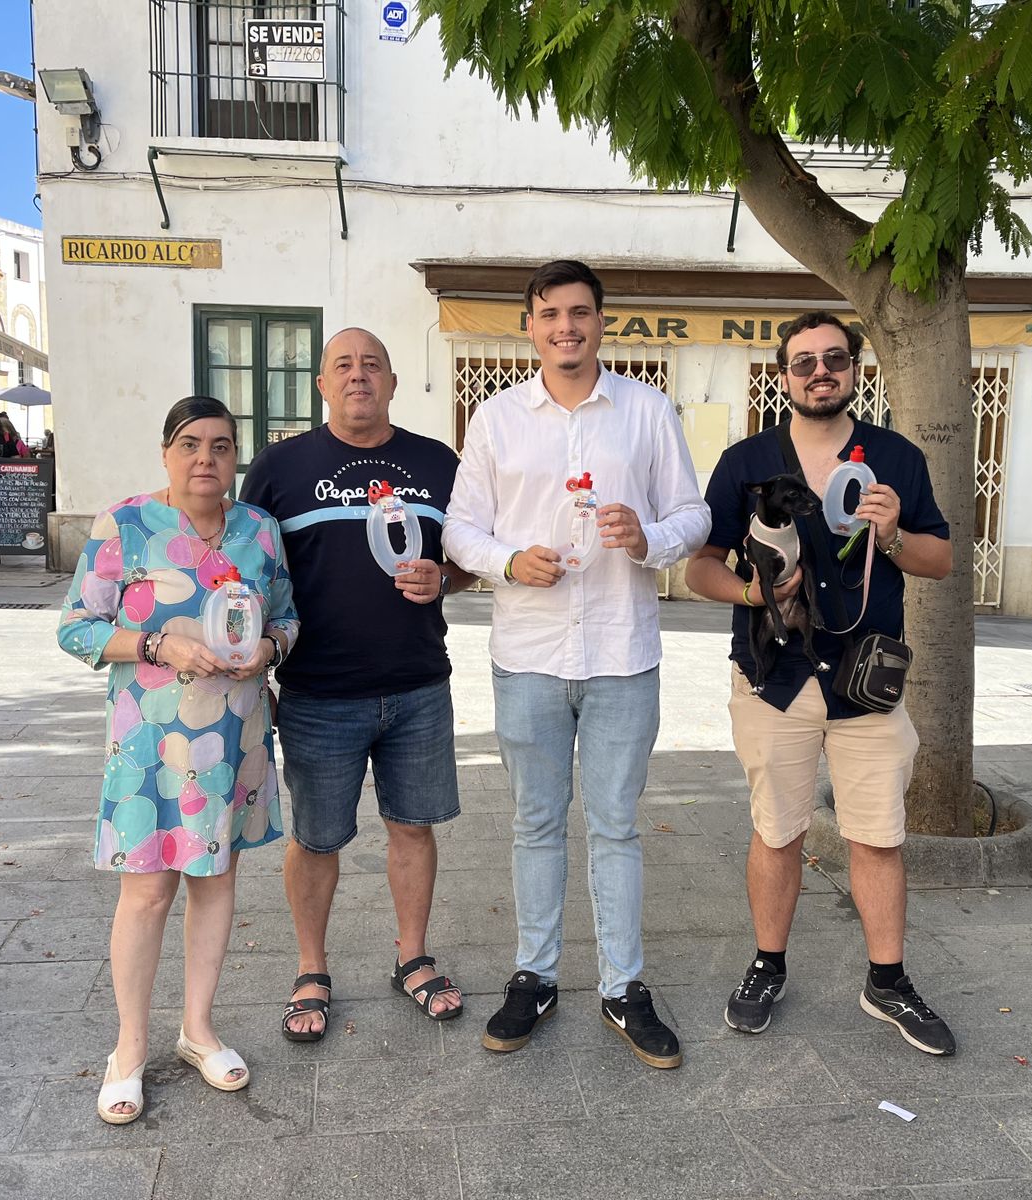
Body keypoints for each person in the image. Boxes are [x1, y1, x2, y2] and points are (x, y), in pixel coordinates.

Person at [442, 260, 711, 1070]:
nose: (567, 327)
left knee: (615, 825)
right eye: (551, 313)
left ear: (601, 322)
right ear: (530, 325)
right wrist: (508, 560)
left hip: (623, 653)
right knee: (534, 823)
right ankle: (536, 976)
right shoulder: (496, 419)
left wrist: (650, 539)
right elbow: (459, 528)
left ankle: (624, 987)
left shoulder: (646, 410)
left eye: (581, 312)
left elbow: (693, 514)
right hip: (529, 654)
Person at [684, 311, 956, 1055]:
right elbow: (700, 566)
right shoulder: (746, 463)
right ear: (784, 377)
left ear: (855, 369)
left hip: (867, 681)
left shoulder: (895, 458)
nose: (819, 373)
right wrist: (752, 593)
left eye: (834, 359)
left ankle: (887, 981)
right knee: (778, 830)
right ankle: (767, 966)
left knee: (878, 835)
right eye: (803, 362)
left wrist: (893, 535)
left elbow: (940, 562)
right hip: (775, 676)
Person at [58, 395, 298, 1125]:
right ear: (166, 453)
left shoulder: (259, 530)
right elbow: (76, 629)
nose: (205, 459)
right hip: (149, 746)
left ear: (236, 457)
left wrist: (269, 647)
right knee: (148, 891)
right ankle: (128, 1049)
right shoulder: (124, 525)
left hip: (233, 737)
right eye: (190, 444)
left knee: (215, 881)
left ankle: (198, 1029)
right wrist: (159, 645)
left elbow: (288, 615)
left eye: (221, 446)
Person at [239, 328, 474, 1042]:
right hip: (318, 691)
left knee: (413, 827)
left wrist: (447, 578)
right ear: (322, 384)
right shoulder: (280, 467)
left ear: (393, 382)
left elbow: (471, 556)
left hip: (417, 684)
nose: (358, 375)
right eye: (342, 365)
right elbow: (246, 572)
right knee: (316, 839)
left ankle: (413, 957)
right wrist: (253, 666)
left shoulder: (437, 462)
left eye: (372, 364)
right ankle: (311, 968)